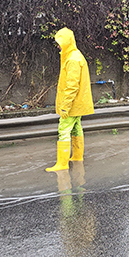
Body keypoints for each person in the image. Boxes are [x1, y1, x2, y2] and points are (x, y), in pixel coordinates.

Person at [46, 27, 94, 172]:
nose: (58, 46)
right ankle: (77, 156)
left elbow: (72, 86)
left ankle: (62, 163)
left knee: (63, 129)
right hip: (78, 103)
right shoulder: (75, 55)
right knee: (76, 127)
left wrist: (65, 106)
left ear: (66, 42)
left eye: (60, 43)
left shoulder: (72, 59)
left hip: (72, 104)